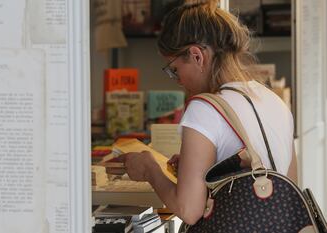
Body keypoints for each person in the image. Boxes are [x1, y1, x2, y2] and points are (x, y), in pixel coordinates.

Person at [118, 0, 297, 225]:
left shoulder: (205, 108)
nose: (178, 81)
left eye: (175, 69)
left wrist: (150, 170)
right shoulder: (273, 100)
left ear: (196, 56)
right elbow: (288, 185)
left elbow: (188, 209)